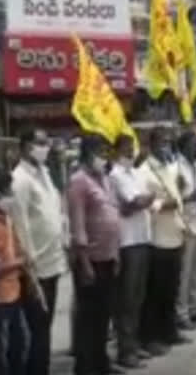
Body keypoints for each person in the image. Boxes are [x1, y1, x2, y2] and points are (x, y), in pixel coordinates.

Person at [10, 128, 67, 375]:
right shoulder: (19, 179)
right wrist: (28, 266)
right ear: (24, 147)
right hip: (35, 267)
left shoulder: (44, 173)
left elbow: (52, 212)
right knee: (36, 329)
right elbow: (19, 223)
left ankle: (40, 369)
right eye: (39, 143)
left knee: (44, 326)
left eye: (47, 142)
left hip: (52, 262)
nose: (45, 147)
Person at [67, 135, 122, 375]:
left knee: (103, 315)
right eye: (100, 152)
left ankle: (101, 364)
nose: (104, 157)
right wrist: (85, 263)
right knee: (88, 317)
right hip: (89, 261)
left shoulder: (105, 180)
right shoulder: (78, 182)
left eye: (106, 152)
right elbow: (77, 225)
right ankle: (86, 367)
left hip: (109, 256)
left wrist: (117, 253)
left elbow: (112, 213)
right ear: (87, 154)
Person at [136, 127, 190, 352]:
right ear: (152, 144)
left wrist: (182, 187)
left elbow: (181, 195)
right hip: (156, 237)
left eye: (169, 142)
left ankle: (170, 331)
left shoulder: (171, 166)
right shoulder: (144, 171)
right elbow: (143, 202)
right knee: (155, 292)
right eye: (162, 142)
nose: (166, 146)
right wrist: (162, 205)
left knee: (171, 289)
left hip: (175, 234)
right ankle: (151, 337)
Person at [108, 134, 157, 366]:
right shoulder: (116, 175)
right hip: (127, 243)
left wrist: (144, 200)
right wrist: (145, 200)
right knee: (126, 300)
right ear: (116, 150)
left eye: (132, 148)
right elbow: (133, 203)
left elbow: (145, 199)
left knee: (138, 297)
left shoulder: (135, 173)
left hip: (143, 238)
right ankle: (125, 351)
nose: (130, 152)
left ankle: (134, 345)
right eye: (126, 148)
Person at [0, 169, 29, 375]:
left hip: (14, 291)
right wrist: (21, 262)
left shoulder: (7, 218)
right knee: (0, 352)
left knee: (19, 345)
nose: (11, 195)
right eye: (7, 191)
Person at [175, 131, 196, 331]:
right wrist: (189, 196)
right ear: (184, 145)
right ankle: (182, 311)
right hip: (186, 220)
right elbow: (175, 195)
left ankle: (195, 307)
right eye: (193, 144)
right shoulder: (177, 168)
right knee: (185, 270)